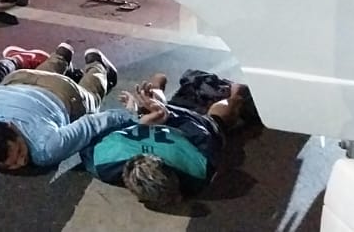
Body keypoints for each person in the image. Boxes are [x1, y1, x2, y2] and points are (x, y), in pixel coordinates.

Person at [0, 42, 131, 173]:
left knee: (92, 95)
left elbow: (90, 124)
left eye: (19, 152)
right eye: (10, 165)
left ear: (11, 127)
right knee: (40, 75)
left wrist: (130, 115)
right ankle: (61, 55)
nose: (21, 162)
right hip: (17, 80)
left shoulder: (45, 149)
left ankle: (97, 64)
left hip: (61, 92)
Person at [83, 71, 253, 208]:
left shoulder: (199, 167)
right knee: (152, 106)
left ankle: (236, 93)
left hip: (178, 125)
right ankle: (155, 89)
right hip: (162, 126)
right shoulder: (102, 162)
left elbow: (204, 127)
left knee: (219, 120)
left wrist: (147, 116)